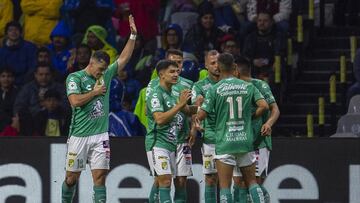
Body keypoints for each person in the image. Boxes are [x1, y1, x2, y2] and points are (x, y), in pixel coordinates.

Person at [61, 15, 137, 203]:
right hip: (79, 135)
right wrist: (94, 93)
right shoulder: (75, 78)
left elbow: (124, 58)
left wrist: (133, 36)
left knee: (100, 177)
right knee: (71, 179)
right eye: (100, 69)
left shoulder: (106, 75)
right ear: (91, 63)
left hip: (100, 135)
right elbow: (74, 101)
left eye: (105, 70)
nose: (102, 73)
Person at [196, 53, 268, 203]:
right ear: (234, 67)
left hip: (225, 142)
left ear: (220, 68)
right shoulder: (248, 86)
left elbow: (201, 115)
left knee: (224, 187)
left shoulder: (214, 89)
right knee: (252, 182)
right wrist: (250, 116)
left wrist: (198, 113)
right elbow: (264, 106)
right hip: (245, 140)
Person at [146, 49, 196, 203]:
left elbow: (187, 110)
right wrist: (180, 105)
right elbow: (159, 119)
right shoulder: (155, 92)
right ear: (162, 74)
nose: (176, 73)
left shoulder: (179, 89)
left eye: (177, 70)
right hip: (159, 142)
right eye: (172, 71)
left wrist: (198, 107)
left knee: (181, 182)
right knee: (164, 181)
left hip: (178, 140)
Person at [232, 55, 280, 203]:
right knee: (239, 182)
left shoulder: (260, 85)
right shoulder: (232, 88)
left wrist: (268, 124)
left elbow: (275, 110)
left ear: (236, 71)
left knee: (255, 181)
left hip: (259, 141)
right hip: (239, 141)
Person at [191, 50, 220, 203]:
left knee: (236, 179)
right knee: (210, 178)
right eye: (213, 63)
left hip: (231, 137)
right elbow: (195, 109)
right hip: (210, 138)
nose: (217, 66)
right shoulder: (200, 86)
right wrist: (198, 105)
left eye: (218, 62)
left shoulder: (230, 83)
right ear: (206, 66)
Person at [0, 21, 37, 86]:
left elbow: (33, 68)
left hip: (25, 84)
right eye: (10, 30)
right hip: (7, 84)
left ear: (21, 33)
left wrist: (21, 83)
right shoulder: (2, 51)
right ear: (6, 34)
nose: (13, 32)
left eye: (16, 30)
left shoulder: (30, 47)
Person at [0, 67, 18, 131]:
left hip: (11, 124)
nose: (6, 79)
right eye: (3, 76)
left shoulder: (18, 93)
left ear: (13, 78)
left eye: (9, 76)